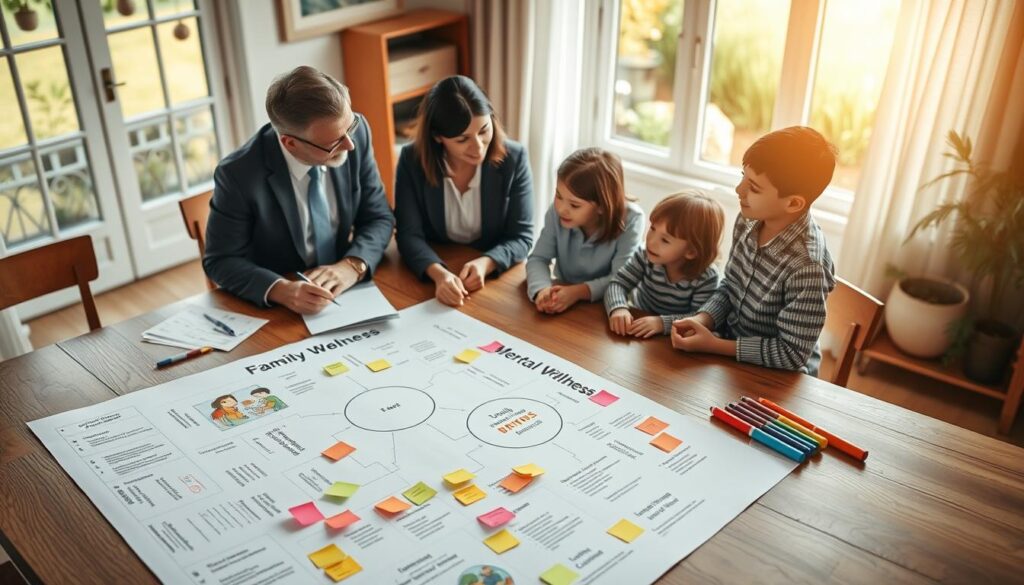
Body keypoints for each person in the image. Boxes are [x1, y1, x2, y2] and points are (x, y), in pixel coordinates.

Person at [204, 66, 394, 314]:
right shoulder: (238, 174)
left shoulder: (355, 135)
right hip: (282, 309)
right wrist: (280, 289)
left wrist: (352, 265)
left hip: (349, 295)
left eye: (350, 127)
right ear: (290, 142)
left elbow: (378, 216)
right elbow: (221, 260)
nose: (349, 145)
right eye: (333, 143)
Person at [671, 126, 837, 375]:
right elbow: (731, 286)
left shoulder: (808, 266)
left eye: (754, 187)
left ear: (793, 203)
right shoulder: (749, 218)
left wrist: (715, 345)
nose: (739, 190)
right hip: (729, 354)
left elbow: (791, 354)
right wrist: (702, 319)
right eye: (742, 177)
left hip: (780, 377)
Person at [395, 75, 533, 307]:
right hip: (436, 270)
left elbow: (521, 236)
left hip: (494, 284)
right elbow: (408, 234)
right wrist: (439, 274)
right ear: (438, 137)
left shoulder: (514, 158)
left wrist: (486, 263)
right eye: (462, 139)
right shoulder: (412, 160)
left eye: (483, 130)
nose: (478, 147)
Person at [526, 148, 644, 314]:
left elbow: (621, 279)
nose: (561, 209)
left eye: (574, 205)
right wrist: (542, 290)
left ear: (602, 206)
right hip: (563, 300)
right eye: (558, 196)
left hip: (609, 309)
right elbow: (538, 258)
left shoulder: (632, 218)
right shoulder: (557, 212)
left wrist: (578, 292)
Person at [605, 191, 724, 338]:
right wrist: (618, 308)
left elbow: (699, 318)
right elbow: (617, 283)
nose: (651, 241)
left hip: (672, 336)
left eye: (665, 240)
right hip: (639, 323)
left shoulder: (706, 276)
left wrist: (662, 323)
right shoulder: (644, 254)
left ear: (691, 252)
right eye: (652, 229)